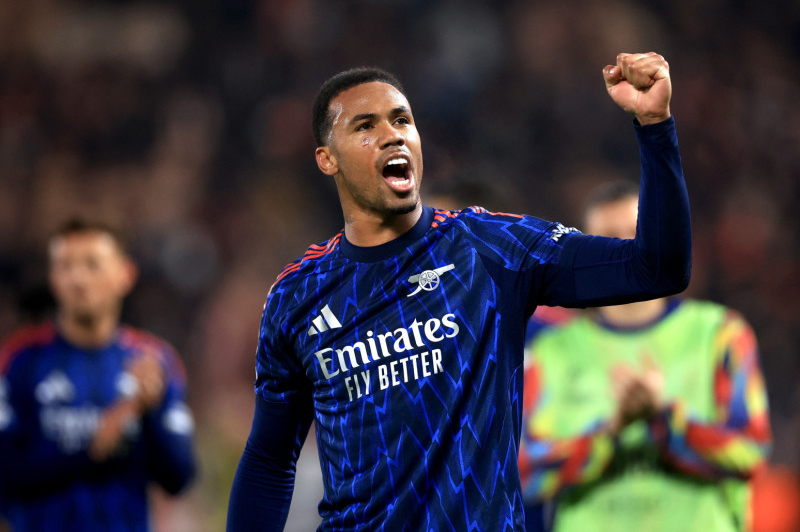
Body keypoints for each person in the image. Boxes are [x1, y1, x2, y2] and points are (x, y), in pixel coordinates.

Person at [227, 52, 691, 531]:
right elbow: (269, 460)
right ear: (328, 159)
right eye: (365, 126)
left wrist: (654, 125)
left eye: (401, 120)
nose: (392, 134)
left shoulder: (490, 249)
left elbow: (656, 269)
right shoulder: (298, 296)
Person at [517, 180, 771, 532]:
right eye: (608, 239)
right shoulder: (552, 352)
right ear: (586, 253)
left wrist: (665, 418)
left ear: (658, 239)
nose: (626, 250)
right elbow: (525, 476)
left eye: (636, 234)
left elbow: (751, 454)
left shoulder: (720, 334)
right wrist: (611, 431)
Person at [0, 219, 197, 531]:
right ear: (53, 278)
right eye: (65, 266)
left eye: (92, 265)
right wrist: (90, 450)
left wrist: (151, 413)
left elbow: (179, 478)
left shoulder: (153, 360)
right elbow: (7, 472)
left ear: (125, 275)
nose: (78, 279)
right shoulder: (20, 360)